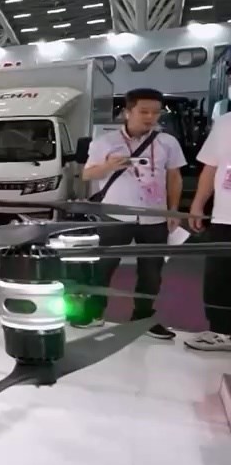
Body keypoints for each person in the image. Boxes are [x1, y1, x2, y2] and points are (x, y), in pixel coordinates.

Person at [81, 88, 185, 340]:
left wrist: (173, 209)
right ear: (127, 112)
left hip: (155, 216)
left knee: (152, 272)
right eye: (143, 111)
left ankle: (143, 317)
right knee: (104, 267)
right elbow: (87, 174)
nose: (150, 117)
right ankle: (94, 312)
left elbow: (174, 177)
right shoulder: (105, 142)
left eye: (155, 112)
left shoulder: (167, 142)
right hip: (116, 215)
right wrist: (108, 166)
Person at [187, 111, 231, 352]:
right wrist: (198, 204)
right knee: (219, 276)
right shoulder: (225, 123)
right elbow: (210, 167)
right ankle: (221, 331)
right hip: (225, 216)